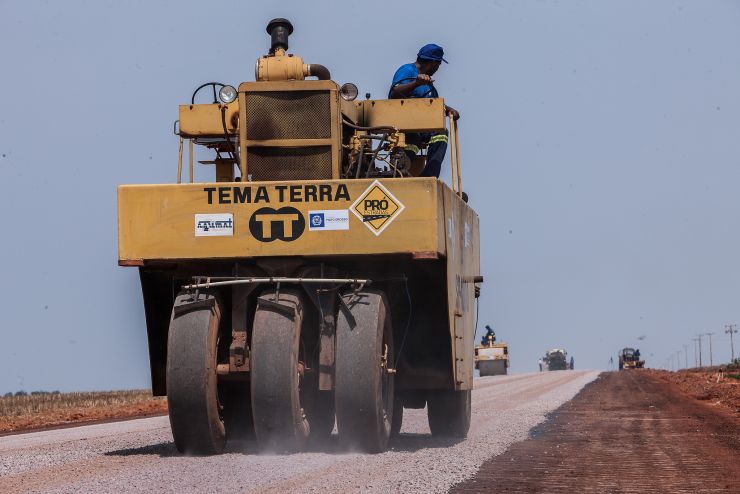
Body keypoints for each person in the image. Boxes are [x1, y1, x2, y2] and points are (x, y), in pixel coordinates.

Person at [388, 44, 459, 178]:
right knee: (413, 141)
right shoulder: (408, 70)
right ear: (433, 62)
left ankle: (429, 176)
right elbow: (395, 92)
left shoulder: (426, 81)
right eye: (438, 65)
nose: (438, 68)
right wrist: (416, 83)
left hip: (424, 125)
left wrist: (448, 109)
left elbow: (428, 103)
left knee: (440, 134)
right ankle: (400, 170)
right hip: (408, 124)